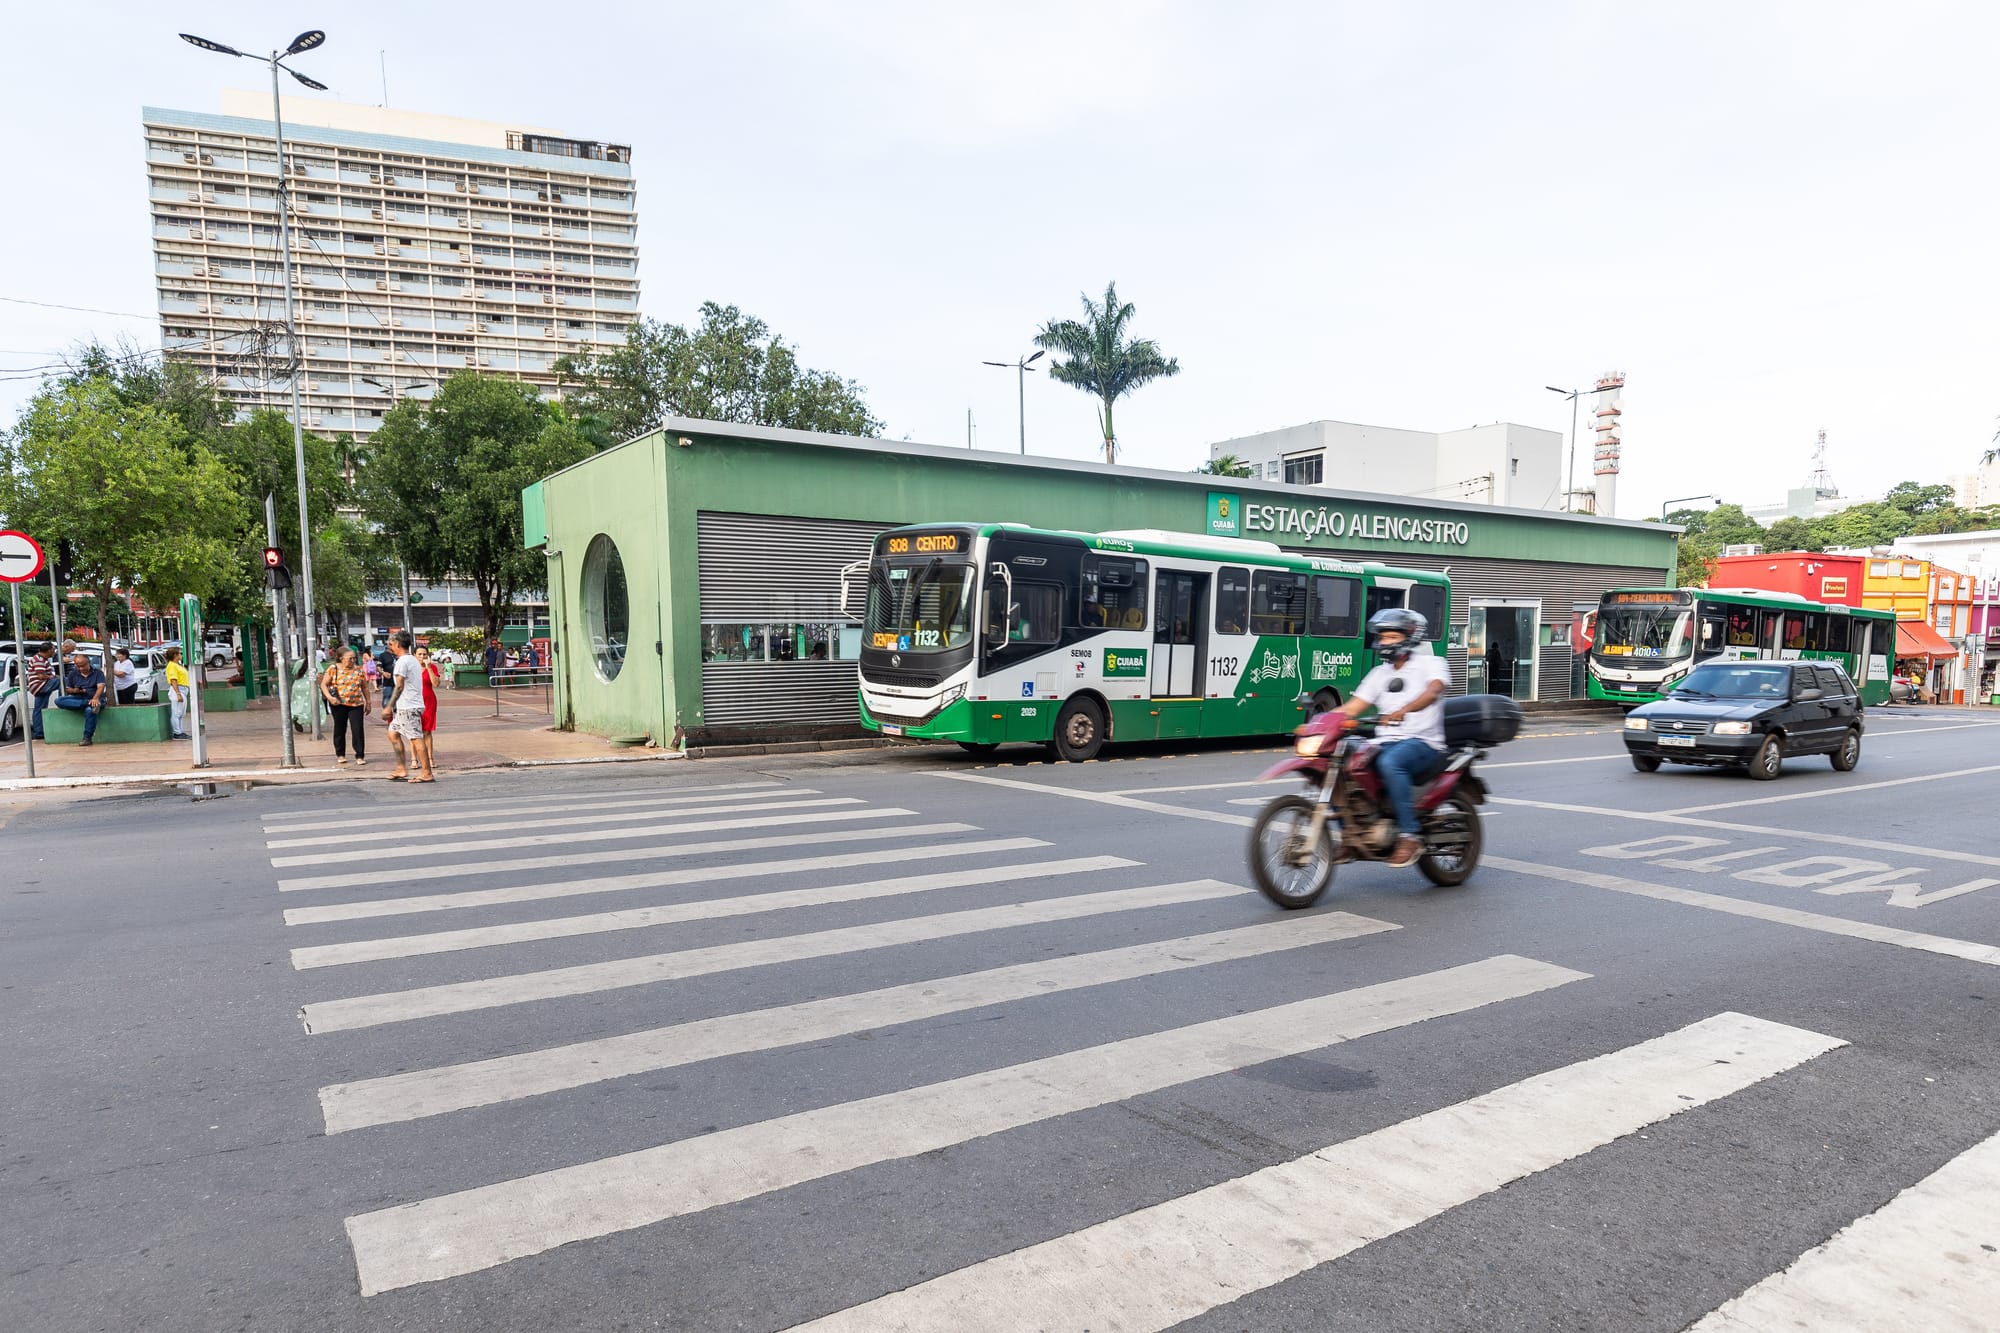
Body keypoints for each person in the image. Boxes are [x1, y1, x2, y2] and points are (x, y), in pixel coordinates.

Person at [1338, 608, 1451, 868]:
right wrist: (1319, 723)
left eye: (1392, 637)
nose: (1385, 642)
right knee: (1341, 763)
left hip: (1423, 742)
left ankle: (1410, 835)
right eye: (1383, 637)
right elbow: (1353, 707)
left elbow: (1434, 691)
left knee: (1390, 762)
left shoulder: (1431, 663)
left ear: (1410, 637)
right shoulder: (1380, 673)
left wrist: (1404, 710)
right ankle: (1351, 835)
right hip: (1384, 742)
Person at [381, 630, 433, 782]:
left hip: (408, 706)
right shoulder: (411, 660)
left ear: (397, 644)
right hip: (408, 705)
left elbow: (399, 686)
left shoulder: (402, 662)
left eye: (391, 644)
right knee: (393, 733)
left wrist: (389, 706)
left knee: (416, 738)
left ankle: (426, 772)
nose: (390, 647)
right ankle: (401, 768)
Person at [320, 645, 368, 767]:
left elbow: (364, 687)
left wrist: (368, 702)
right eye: (349, 658)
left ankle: (360, 755)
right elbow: (323, 684)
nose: (352, 661)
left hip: (356, 704)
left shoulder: (359, 670)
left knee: (357, 729)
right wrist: (330, 697)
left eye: (354, 658)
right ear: (341, 658)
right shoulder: (333, 669)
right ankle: (340, 753)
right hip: (339, 704)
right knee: (340, 728)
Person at [56, 650, 109, 746]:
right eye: (78, 666)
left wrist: (95, 698)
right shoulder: (73, 674)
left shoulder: (98, 673)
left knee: (90, 711)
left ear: (89, 662)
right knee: (59, 700)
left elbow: (100, 687)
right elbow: (68, 689)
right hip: (79, 698)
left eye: (83, 665)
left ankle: (87, 738)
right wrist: (76, 690)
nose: (81, 668)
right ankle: (88, 703)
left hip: (96, 698)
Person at [25, 643, 58, 741]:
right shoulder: (38, 660)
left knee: (39, 709)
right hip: (40, 685)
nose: (54, 652)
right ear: (49, 650)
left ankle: (39, 732)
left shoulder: (42, 659)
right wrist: (53, 677)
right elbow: (41, 676)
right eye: (53, 650)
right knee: (62, 681)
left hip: (39, 686)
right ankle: (64, 700)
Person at [415, 644, 442, 760]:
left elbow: (436, 684)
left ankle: (430, 758)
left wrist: (429, 668)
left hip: (428, 702)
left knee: (427, 731)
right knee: (415, 732)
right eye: (419, 654)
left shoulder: (432, 667)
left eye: (424, 654)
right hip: (414, 702)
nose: (422, 656)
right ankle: (414, 759)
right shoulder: (411, 668)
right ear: (415, 655)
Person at [163, 646, 192, 740]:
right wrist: (178, 693)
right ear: (175, 655)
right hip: (178, 689)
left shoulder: (178, 665)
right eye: (180, 653)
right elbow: (173, 680)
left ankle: (180, 731)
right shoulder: (172, 665)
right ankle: (177, 733)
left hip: (183, 689)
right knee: (176, 712)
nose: (181, 655)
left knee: (181, 713)